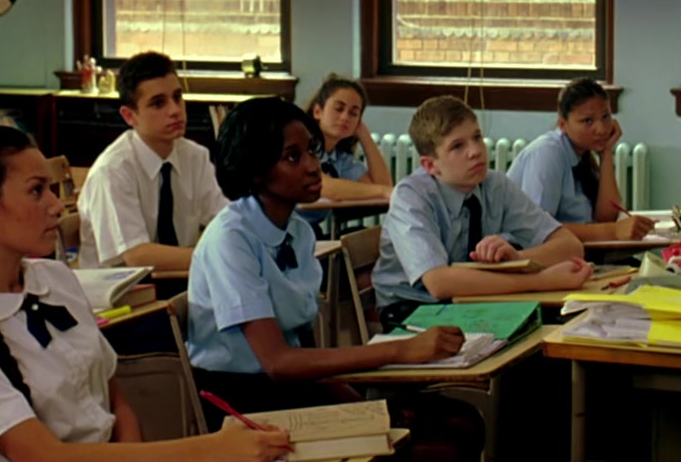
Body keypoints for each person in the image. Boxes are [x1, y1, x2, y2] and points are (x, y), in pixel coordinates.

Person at [0, 125, 291, 462]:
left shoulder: (55, 279)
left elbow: (115, 401)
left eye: (51, 189)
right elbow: (43, 456)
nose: (56, 205)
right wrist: (210, 450)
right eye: (36, 191)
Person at [186, 97, 482, 461]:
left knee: (462, 422)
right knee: (434, 449)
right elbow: (278, 361)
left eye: (311, 151)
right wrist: (402, 350)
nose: (314, 167)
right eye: (293, 157)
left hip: (295, 387)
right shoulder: (230, 239)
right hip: (243, 402)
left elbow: (306, 350)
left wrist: (360, 409)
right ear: (256, 171)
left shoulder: (299, 231)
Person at [372, 96, 592, 330]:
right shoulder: (410, 196)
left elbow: (570, 246)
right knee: (533, 337)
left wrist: (516, 260)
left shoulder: (495, 185)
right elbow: (439, 282)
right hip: (414, 308)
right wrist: (540, 280)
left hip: (473, 300)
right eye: (458, 146)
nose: (476, 151)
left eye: (477, 137)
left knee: (568, 325)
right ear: (430, 165)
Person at [78, 52, 229, 270]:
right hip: (121, 285)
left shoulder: (195, 156)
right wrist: (215, 257)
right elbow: (137, 256)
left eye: (177, 97)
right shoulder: (112, 170)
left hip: (176, 278)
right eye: (158, 104)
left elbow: (224, 218)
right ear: (129, 116)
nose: (175, 110)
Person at [507, 78, 654, 241]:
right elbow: (539, 228)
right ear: (563, 124)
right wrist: (612, 231)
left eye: (606, 117)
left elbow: (606, 217)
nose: (601, 129)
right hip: (523, 251)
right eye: (588, 121)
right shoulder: (548, 152)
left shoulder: (582, 153)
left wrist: (606, 154)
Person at [298, 74, 393, 234]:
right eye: (339, 109)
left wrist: (365, 136)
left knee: (364, 236)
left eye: (353, 114)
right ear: (317, 111)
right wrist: (383, 191)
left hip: (307, 232)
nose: (345, 118)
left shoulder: (340, 159)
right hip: (276, 232)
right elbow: (325, 186)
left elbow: (383, 186)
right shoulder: (300, 146)